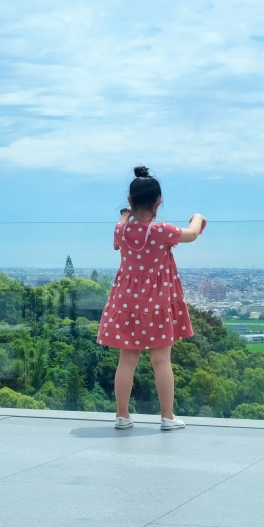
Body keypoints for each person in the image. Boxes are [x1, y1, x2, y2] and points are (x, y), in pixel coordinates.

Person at [97, 166, 206, 430]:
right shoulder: (162, 231)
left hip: (126, 302)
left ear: (130, 201)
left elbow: (120, 230)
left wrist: (124, 217)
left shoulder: (121, 231)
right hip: (157, 302)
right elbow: (191, 235)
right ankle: (167, 417)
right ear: (159, 203)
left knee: (127, 360)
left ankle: (122, 415)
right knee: (161, 360)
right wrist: (198, 217)